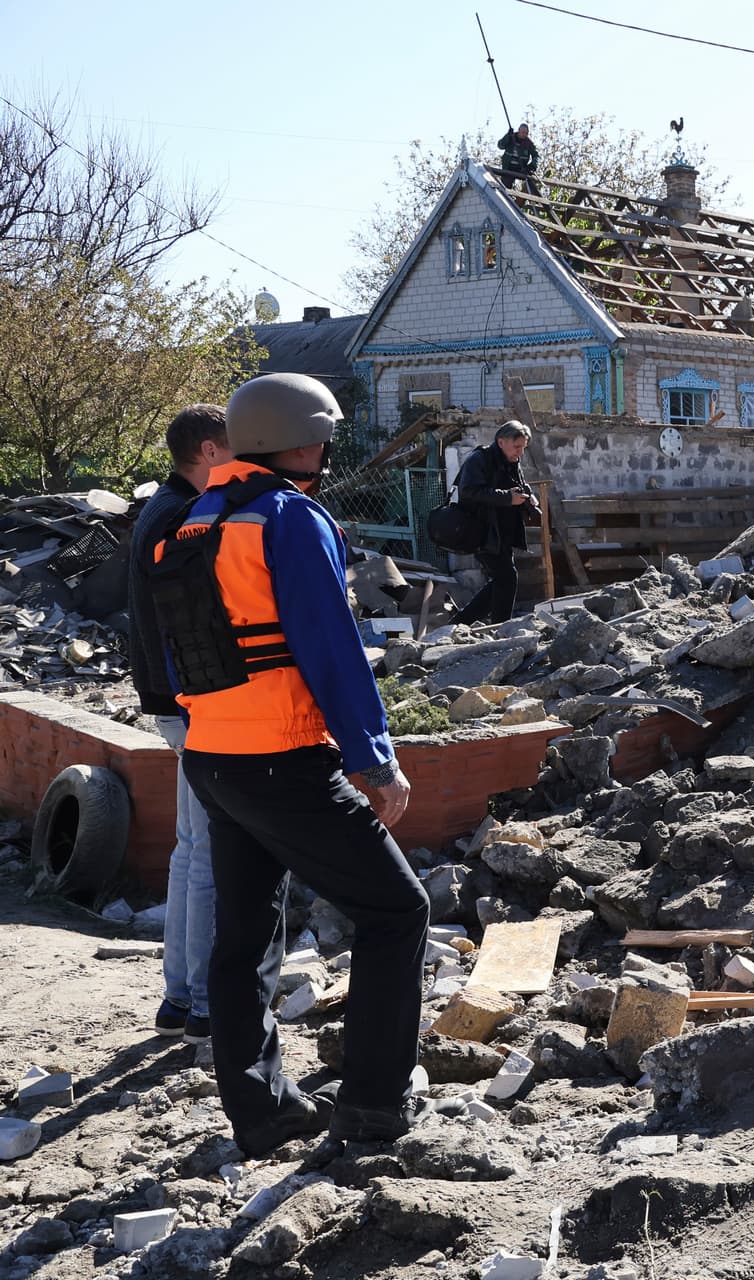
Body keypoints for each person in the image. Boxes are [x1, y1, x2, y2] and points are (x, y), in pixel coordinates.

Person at [158, 372, 428, 1156]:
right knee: (397, 912)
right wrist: (375, 761)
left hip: (212, 756)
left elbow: (187, 647)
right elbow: (331, 648)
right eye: (325, 433)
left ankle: (264, 1111)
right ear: (301, 440)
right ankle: (373, 1109)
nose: (330, 446)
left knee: (243, 937)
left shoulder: (194, 520)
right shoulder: (288, 517)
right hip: (282, 760)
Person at [128, 404, 233, 1045]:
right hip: (191, 702)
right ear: (208, 450)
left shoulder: (160, 509)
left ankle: (177, 999)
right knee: (209, 858)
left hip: (172, 699)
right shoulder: (184, 516)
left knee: (191, 850)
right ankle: (200, 1003)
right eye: (234, 445)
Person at [452, 422, 535, 626]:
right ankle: (501, 628)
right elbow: (469, 491)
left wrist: (529, 497)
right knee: (508, 578)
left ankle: (460, 623)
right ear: (501, 442)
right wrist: (507, 498)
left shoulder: (511, 461)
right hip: (481, 531)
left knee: (502, 580)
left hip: (502, 532)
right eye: (517, 447)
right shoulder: (479, 460)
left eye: (523, 447)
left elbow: (518, 486)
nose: (520, 453)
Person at [498, 123, 539, 195]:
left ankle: (531, 198)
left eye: (526, 133)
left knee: (531, 180)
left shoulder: (529, 143)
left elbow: (536, 156)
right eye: (522, 132)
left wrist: (532, 166)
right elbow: (500, 145)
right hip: (508, 167)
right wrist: (507, 136)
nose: (524, 134)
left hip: (520, 168)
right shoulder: (511, 137)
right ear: (519, 131)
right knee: (506, 185)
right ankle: (508, 197)